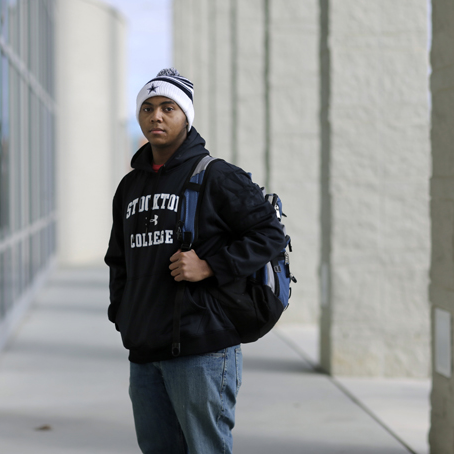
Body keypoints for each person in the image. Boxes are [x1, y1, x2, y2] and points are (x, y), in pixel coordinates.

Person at [104, 68, 285, 454]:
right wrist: (122, 315)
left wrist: (210, 265)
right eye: (148, 108)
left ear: (186, 116)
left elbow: (270, 234)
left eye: (168, 107)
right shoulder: (129, 186)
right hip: (145, 350)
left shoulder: (217, 176)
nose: (156, 116)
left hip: (202, 350)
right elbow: (117, 259)